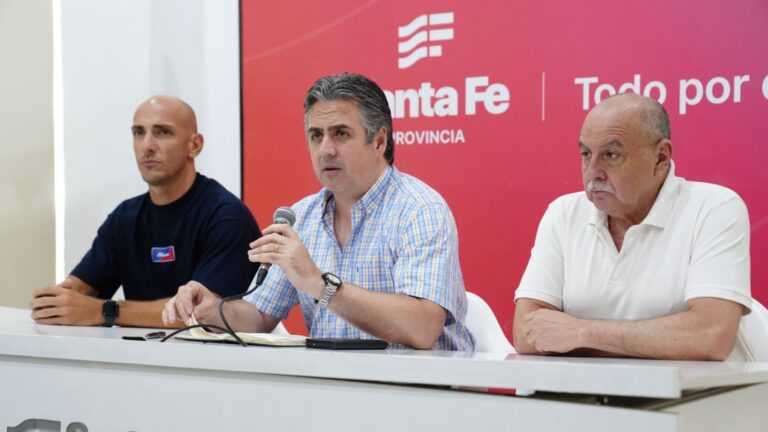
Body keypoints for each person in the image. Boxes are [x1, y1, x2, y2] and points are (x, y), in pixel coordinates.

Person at [163, 73, 474, 350]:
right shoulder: (302, 216)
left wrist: (320, 285)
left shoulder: (420, 210)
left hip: (421, 389)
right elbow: (257, 316)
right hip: (330, 386)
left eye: (341, 134)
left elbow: (421, 328)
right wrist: (213, 309)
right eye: (316, 136)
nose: (325, 149)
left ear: (379, 140)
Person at [514, 93, 753, 361]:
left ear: (661, 158)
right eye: (586, 154)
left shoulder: (714, 208)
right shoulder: (564, 213)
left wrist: (581, 332)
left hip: (704, 388)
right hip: (593, 385)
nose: (593, 171)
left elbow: (710, 336)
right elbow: (526, 333)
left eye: (611, 155)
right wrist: (657, 340)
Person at [30, 96, 261, 328]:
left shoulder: (227, 217)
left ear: (194, 145)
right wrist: (56, 301)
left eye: (163, 132)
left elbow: (204, 316)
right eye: (139, 133)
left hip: (210, 352)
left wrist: (106, 311)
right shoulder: (125, 218)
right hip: (139, 350)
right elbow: (79, 289)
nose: (147, 146)